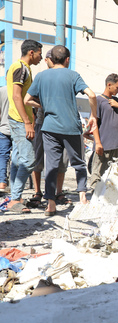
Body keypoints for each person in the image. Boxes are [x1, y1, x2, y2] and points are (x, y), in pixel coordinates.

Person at [25, 45, 98, 216]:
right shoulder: (73, 75)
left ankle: (50, 204)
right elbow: (92, 95)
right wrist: (93, 115)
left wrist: (43, 104)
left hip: (49, 127)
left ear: (52, 59)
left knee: (51, 165)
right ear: (67, 59)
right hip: (71, 127)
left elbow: (27, 99)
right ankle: (82, 197)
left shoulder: (42, 76)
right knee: (78, 162)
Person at [30, 49, 71, 208]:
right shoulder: (41, 78)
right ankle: (38, 192)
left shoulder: (66, 77)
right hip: (42, 123)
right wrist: (42, 104)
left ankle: (58, 192)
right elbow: (29, 97)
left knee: (61, 161)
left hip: (61, 124)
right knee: (38, 159)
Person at [6, 39, 43, 214]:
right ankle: (14, 200)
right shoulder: (21, 68)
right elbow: (16, 96)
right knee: (29, 161)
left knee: (18, 160)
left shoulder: (23, 69)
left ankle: (16, 197)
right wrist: (27, 122)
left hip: (19, 119)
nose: (41, 57)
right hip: (20, 121)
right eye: (39, 53)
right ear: (31, 52)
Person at [88, 73, 118, 190]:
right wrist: (98, 143)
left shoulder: (116, 100)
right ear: (109, 85)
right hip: (103, 145)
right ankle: (95, 196)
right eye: (117, 87)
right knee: (97, 174)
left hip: (116, 145)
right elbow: (94, 123)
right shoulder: (98, 100)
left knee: (112, 174)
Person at [0, 86, 11, 194]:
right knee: (19, 156)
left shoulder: (2, 90)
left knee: (3, 155)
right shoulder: (22, 89)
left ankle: (2, 182)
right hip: (19, 128)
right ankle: (16, 184)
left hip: (3, 127)